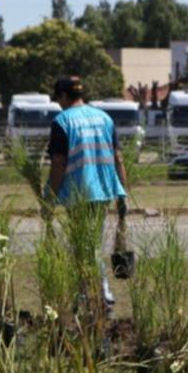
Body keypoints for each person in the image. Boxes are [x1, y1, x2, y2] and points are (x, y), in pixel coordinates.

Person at [45, 75, 129, 313]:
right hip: (103, 190)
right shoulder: (104, 118)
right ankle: (87, 293)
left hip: (78, 193)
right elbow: (118, 158)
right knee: (89, 243)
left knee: (86, 246)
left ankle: (100, 294)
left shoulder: (62, 121)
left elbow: (59, 164)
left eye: (58, 98)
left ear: (62, 95)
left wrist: (50, 197)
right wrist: (122, 193)